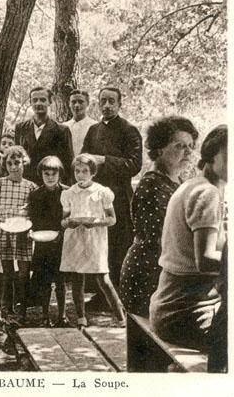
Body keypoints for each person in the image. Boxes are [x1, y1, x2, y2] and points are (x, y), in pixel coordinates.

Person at [149, 125, 227, 350]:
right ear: (211, 155)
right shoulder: (207, 193)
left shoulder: (193, 184)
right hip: (183, 314)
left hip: (168, 308)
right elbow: (205, 260)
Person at [119, 116, 199, 317]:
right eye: (180, 145)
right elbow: (160, 239)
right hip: (147, 273)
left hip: (163, 270)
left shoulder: (176, 181)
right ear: (159, 149)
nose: (188, 151)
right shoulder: (152, 185)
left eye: (190, 145)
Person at [81, 87, 142, 296]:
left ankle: (121, 294)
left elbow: (135, 165)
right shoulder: (93, 131)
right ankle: (101, 296)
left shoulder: (129, 130)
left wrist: (105, 161)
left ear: (119, 104)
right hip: (95, 197)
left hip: (119, 198)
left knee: (119, 245)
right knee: (98, 244)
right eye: (103, 101)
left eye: (111, 101)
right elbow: (83, 161)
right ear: (98, 104)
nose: (107, 105)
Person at [60, 154, 126, 329]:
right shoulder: (69, 193)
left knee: (103, 279)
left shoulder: (102, 192)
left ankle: (121, 318)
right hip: (75, 238)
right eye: (77, 171)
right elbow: (64, 220)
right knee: (77, 279)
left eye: (85, 171)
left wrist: (96, 222)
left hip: (95, 239)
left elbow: (112, 219)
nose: (80, 175)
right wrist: (69, 223)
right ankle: (81, 318)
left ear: (93, 173)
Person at [0, 146, 37, 320]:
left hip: (22, 233)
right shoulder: (0, 183)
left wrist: (30, 226)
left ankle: (22, 307)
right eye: (9, 163)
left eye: (17, 163)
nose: (13, 167)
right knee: (6, 271)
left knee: (24, 272)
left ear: (24, 162)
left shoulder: (31, 186)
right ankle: (5, 307)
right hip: (4, 231)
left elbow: (34, 212)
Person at [28, 156, 69, 327]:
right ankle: (45, 316)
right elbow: (33, 218)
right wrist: (31, 230)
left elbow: (69, 217)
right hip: (43, 243)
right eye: (47, 174)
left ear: (60, 174)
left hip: (61, 242)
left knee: (60, 281)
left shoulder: (67, 192)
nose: (50, 177)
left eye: (54, 173)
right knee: (44, 282)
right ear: (41, 174)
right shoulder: (36, 194)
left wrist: (62, 232)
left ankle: (62, 315)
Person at [14, 87, 74, 185]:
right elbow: (17, 158)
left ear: (50, 102)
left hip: (51, 185)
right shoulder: (21, 128)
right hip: (26, 183)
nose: (38, 103)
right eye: (35, 100)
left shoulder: (62, 130)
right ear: (30, 103)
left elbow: (67, 164)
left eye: (42, 100)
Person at [63, 89, 96, 155]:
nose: (77, 105)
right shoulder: (63, 127)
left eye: (81, 102)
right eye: (73, 102)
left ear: (87, 103)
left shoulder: (95, 126)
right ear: (69, 104)